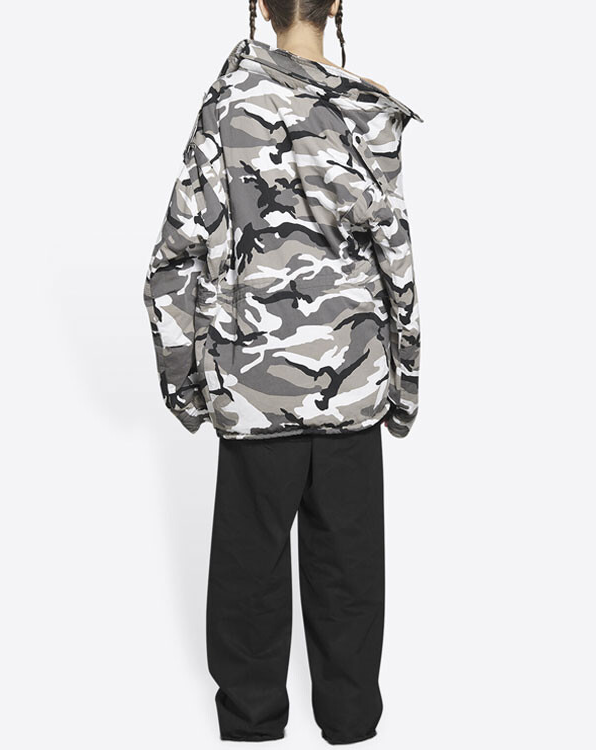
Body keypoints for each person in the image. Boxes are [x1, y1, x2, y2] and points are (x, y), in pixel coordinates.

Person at [142, 0, 422, 743]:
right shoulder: (367, 111)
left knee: (249, 573)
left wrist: (186, 386)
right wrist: (405, 384)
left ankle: (251, 724)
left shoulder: (227, 107)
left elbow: (175, 260)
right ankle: (351, 721)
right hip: (354, 383)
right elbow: (396, 261)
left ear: (261, 6)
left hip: (253, 387)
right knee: (349, 574)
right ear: (337, 5)